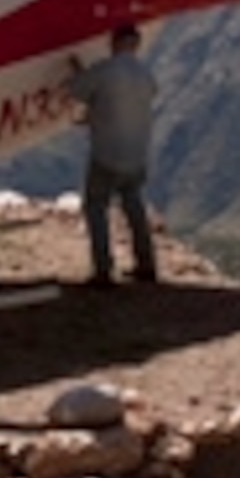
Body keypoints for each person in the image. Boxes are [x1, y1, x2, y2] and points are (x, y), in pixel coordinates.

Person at [63, 21, 159, 287]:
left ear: (114, 42)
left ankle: (103, 270)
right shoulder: (146, 76)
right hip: (137, 153)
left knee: (96, 208)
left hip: (107, 153)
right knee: (134, 207)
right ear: (136, 44)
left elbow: (77, 89)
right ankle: (147, 265)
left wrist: (76, 69)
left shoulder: (106, 71)